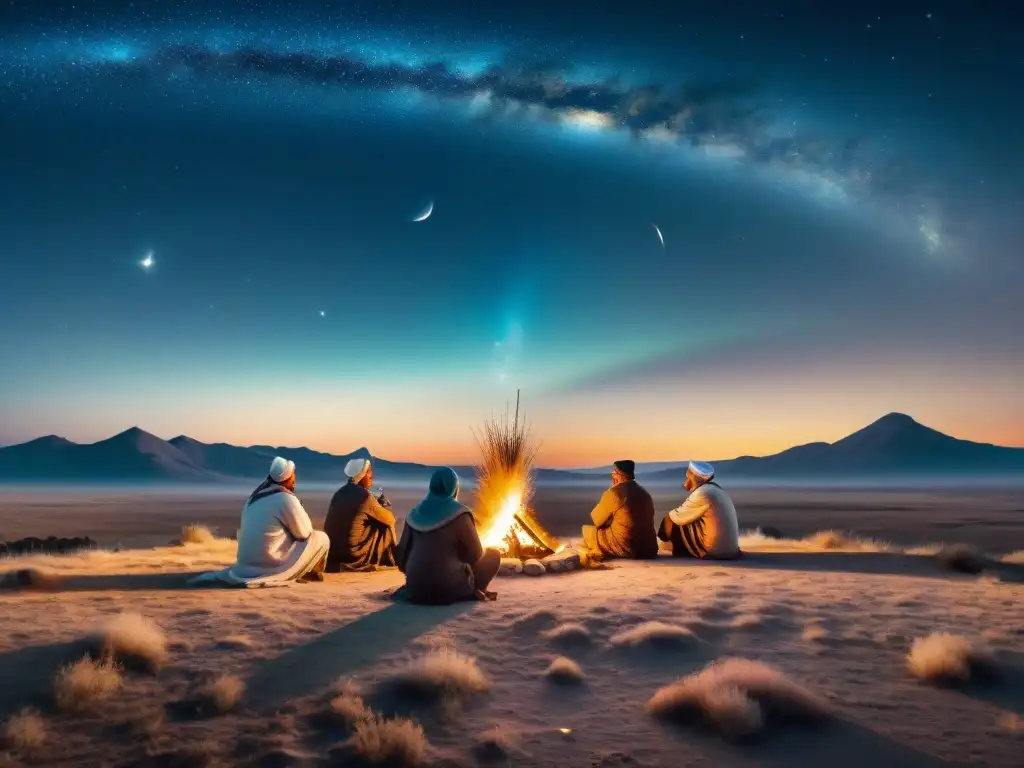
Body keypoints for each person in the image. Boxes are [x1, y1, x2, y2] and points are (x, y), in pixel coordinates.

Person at [190, 456, 330, 588]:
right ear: (287, 477)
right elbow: (304, 534)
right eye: (293, 475)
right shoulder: (285, 498)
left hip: (245, 565)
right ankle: (309, 572)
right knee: (322, 539)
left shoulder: (255, 497)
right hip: (271, 564)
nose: (295, 478)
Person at [395, 466, 501, 604]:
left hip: (416, 589)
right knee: (493, 555)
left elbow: (401, 556)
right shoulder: (460, 514)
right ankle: (473, 589)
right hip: (449, 589)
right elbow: (475, 554)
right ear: (454, 487)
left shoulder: (414, 514)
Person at [323, 457, 398, 572]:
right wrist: (382, 506)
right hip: (352, 554)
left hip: (334, 551)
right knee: (383, 525)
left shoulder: (339, 492)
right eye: (369, 473)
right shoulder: (366, 496)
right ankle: (393, 559)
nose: (371, 477)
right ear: (362, 475)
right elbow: (390, 519)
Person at [657, 461, 740, 560]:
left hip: (714, 551)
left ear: (694, 478)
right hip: (731, 550)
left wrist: (664, 531)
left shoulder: (703, 493)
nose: (686, 481)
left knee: (672, 521)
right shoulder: (715, 489)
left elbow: (678, 517)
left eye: (688, 477)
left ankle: (667, 547)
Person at [581, 459, 659, 559]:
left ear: (619, 474)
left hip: (628, 547)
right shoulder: (644, 493)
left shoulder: (614, 493)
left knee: (587, 532)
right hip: (649, 548)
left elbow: (597, 520)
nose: (612, 476)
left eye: (614, 473)